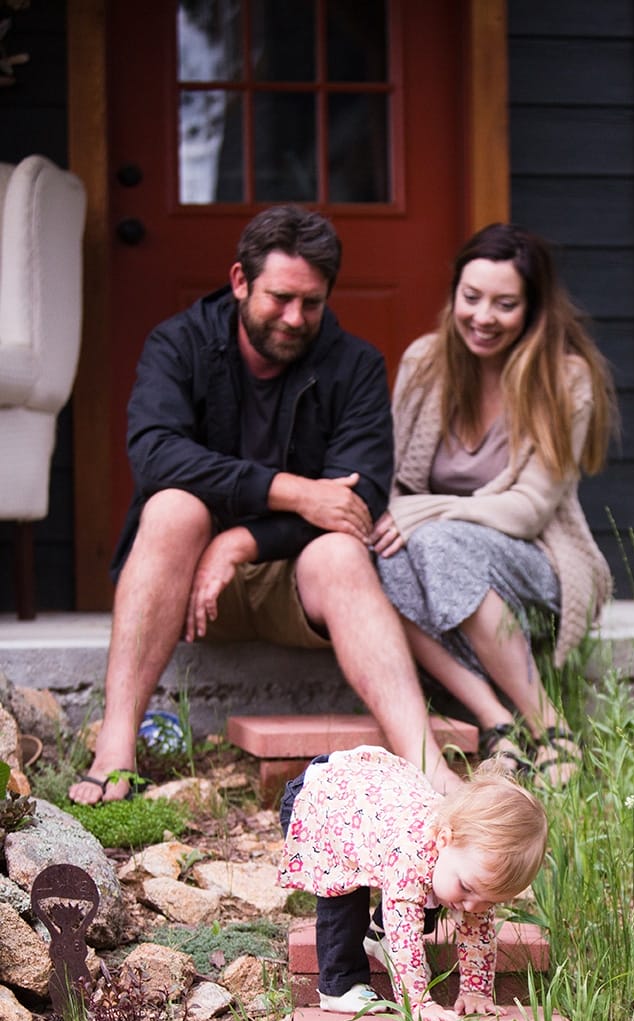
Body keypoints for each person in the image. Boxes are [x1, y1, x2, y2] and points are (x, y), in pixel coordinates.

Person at [69, 205, 460, 805]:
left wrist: (243, 540)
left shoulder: (354, 364)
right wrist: (292, 490)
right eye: (279, 297)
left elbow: (357, 500)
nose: (294, 317)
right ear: (239, 281)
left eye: (312, 302)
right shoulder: (180, 344)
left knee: (339, 551)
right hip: (191, 590)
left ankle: (429, 767)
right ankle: (116, 747)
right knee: (175, 508)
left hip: (293, 586)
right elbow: (154, 455)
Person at [370, 222, 616, 787]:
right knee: (368, 556)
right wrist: (406, 516)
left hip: (537, 558)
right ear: (454, 294)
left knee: (433, 540)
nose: (484, 317)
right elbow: (394, 480)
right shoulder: (424, 363)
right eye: (471, 297)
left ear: (532, 309)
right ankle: (495, 719)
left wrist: (429, 512)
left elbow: (529, 509)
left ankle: (548, 724)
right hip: (439, 556)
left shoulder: (564, 376)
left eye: (505, 304)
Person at [278, 745, 547, 1021]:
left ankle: (378, 935)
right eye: (467, 887)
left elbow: (477, 930)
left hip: (372, 805)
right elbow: (406, 931)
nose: (472, 905)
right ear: (444, 840)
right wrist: (418, 1001)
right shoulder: (411, 854)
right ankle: (340, 983)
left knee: (435, 889)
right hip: (321, 801)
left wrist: (475, 991)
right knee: (347, 896)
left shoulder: (466, 867)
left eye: (489, 900)